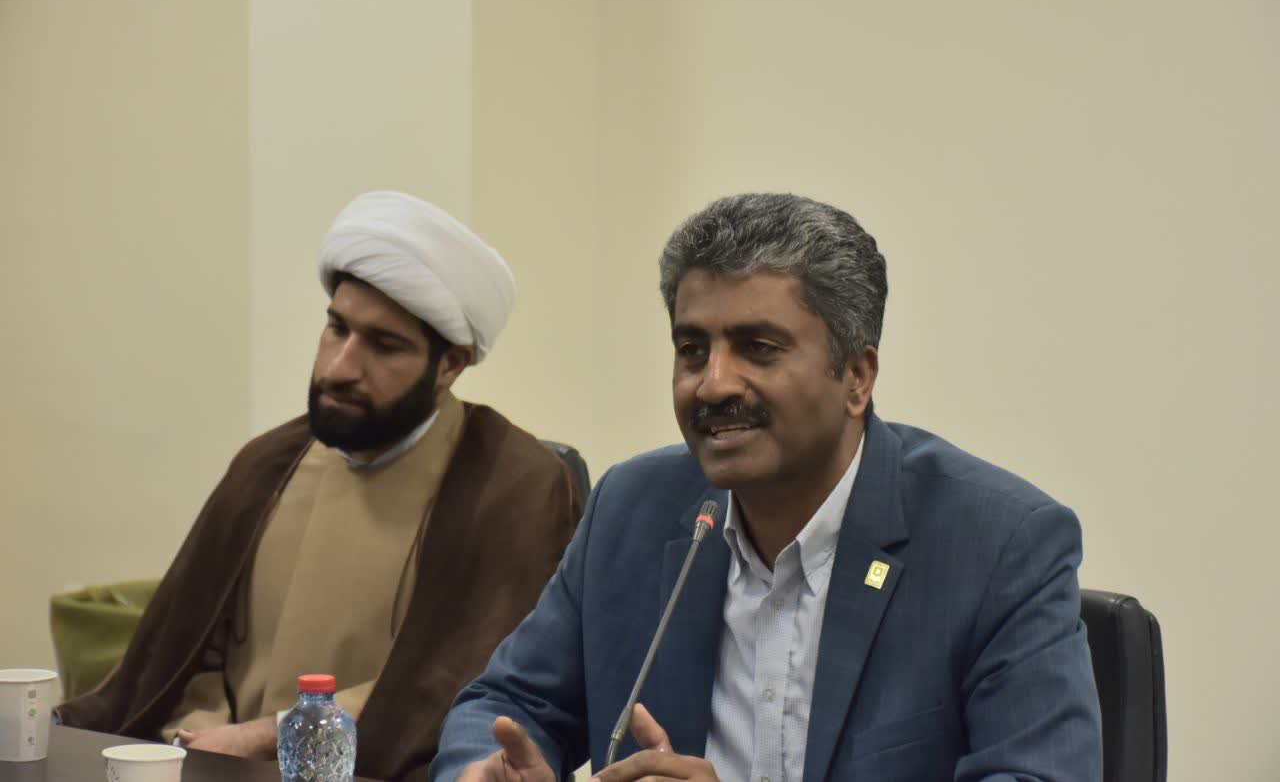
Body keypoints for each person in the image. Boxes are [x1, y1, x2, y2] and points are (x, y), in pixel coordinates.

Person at [432, 193, 1102, 782]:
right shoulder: (634, 508)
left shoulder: (998, 543)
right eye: (692, 350)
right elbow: (508, 703)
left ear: (857, 378)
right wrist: (489, 766)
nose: (713, 383)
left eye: (758, 348)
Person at [57, 191, 583, 781]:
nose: (339, 367)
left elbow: (469, 683)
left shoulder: (512, 487)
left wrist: (274, 737)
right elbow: (187, 655)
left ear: (451, 364)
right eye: (337, 329)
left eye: (384, 345)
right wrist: (203, 737)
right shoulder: (267, 465)